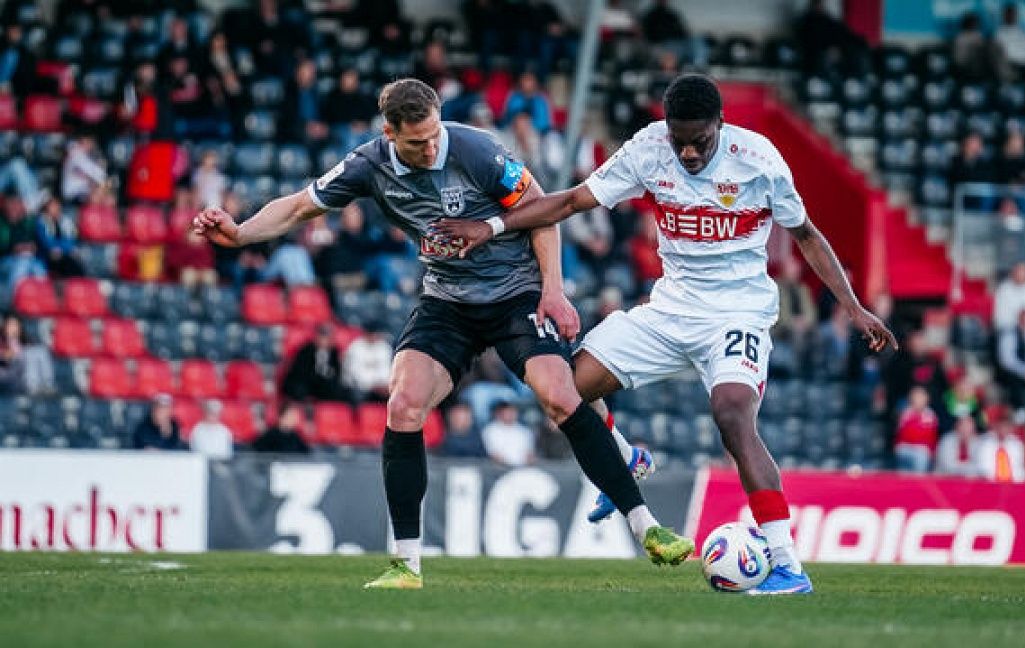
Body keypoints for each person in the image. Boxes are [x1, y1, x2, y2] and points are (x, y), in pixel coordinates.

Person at [193, 78, 691, 590]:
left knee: (562, 397)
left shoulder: (475, 150)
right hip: (447, 301)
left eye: (434, 134)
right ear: (389, 133)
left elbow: (543, 212)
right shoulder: (368, 165)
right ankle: (406, 564)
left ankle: (646, 526)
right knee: (403, 406)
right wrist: (240, 232)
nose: (431, 147)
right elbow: (300, 206)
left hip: (516, 294)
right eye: (416, 142)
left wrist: (554, 290)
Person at [434, 73, 897, 595]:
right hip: (670, 310)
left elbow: (807, 236)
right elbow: (569, 203)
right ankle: (626, 457)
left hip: (737, 314)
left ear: (720, 125)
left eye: (700, 141)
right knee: (563, 389)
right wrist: (492, 226)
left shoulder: (759, 159)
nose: (689, 153)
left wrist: (854, 308)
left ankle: (787, 562)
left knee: (731, 416)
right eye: (680, 141)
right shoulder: (649, 149)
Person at [281, 324, 349, 403]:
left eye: (327, 338)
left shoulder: (334, 353)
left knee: (337, 390)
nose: (324, 340)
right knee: (298, 389)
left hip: (323, 384)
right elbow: (300, 371)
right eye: (322, 337)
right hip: (307, 382)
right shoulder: (306, 350)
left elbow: (336, 372)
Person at [343, 322, 394, 403]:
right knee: (358, 394)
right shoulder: (356, 347)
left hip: (380, 387)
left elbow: (386, 369)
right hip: (358, 387)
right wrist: (373, 386)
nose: (375, 336)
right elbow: (356, 374)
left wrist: (382, 384)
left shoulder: (384, 347)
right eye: (372, 334)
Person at [893, 385, 939, 473]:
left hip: (922, 450)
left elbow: (931, 437)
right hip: (906, 448)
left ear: (926, 399)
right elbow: (901, 435)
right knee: (901, 451)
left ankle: (919, 481)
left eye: (920, 396)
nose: (918, 399)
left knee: (920, 455)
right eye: (915, 396)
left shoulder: (931, 415)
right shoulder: (906, 413)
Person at [481, 400, 536, 467]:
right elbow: (494, 454)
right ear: (498, 414)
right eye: (507, 412)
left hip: (523, 468)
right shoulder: (489, 431)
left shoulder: (525, 431)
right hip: (499, 469)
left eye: (513, 411)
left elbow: (530, 454)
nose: (511, 414)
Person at [975, 416, 1025, 482]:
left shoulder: (1017, 445)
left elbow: (1019, 468)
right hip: (990, 484)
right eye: (1000, 427)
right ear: (995, 428)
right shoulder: (985, 444)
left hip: (1012, 484)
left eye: (1006, 427)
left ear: (1010, 429)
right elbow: (984, 468)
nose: (1003, 430)